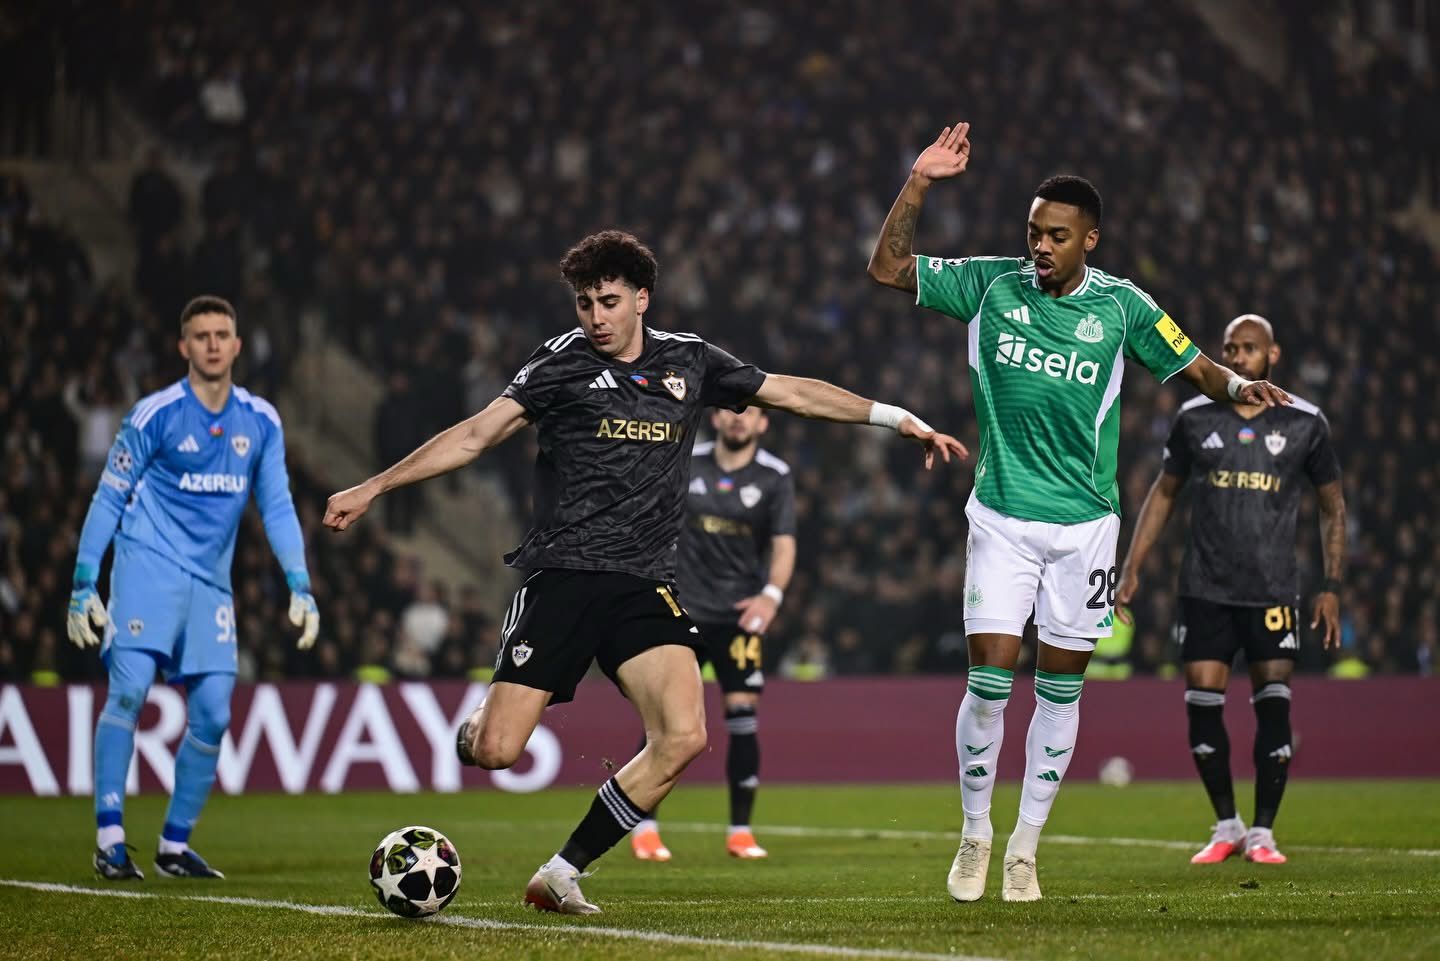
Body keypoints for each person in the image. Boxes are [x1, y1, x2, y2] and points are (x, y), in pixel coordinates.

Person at [323, 230, 967, 914]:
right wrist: (374, 486)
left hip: (644, 583)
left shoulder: (689, 360)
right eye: (584, 304)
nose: (595, 318)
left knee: (685, 736)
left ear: (641, 299)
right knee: (497, 751)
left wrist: (894, 418)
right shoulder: (559, 364)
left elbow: (790, 393)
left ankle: (562, 871)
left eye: (608, 301)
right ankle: (478, 724)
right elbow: (476, 435)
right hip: (565, 575)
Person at [867, 122, 1291, 903]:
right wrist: (919, 182)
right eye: (1033, 232)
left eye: (1056, 236)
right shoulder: (989, 285)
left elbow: (1195, 364)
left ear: (1089, 239)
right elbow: (889, 266)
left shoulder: (1123, 307)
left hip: (1086, 528)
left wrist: (1239, 387)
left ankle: (1024, 848)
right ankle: (974, 833)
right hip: (1002, 516)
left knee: (1061, 692)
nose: (1039, 247)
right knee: (989, 684)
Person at [67, 295, 318, 882]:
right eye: (201, 335)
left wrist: (299, 583)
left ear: (236, 345)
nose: (211, 344)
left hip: (210, 583)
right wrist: (83, 580)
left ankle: (174, 846)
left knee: (213, 714)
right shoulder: (154, 414)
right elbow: (109, 496)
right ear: (184, 347)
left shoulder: (260, 420)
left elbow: (277, 505)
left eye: (221, 334)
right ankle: (110, 839)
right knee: (129, 693)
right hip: (146, 566)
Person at [1116, 313, 1345, 865]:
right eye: (1229, 348)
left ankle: (1263, 832)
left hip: (1272, 589)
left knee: (1274, 705)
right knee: (1201, 703)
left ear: (1273, 355)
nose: (1238, 357)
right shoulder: (1194, 417)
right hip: (1205, 587)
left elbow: (1332, 506)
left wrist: (1331, 585)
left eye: (1249, 348)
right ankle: (1227, 824)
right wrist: (1132, 566)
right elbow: (1164, 493)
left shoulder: (1305, 422)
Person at [630, 405, 796, 863]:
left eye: (749, 412)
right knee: (665, 720)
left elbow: (784, 543)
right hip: (682, 610)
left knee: (742, 715)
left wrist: (771, 597)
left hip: (739, 617)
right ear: (716, 419)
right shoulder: (686, 461)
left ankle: (740, 832)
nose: (739, 418)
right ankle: (644, 827)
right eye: (729, 410)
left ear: (763, 423)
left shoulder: (775, 476)